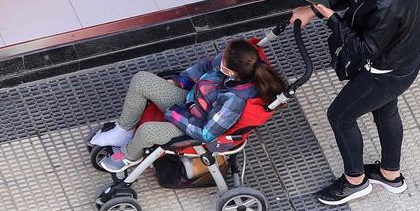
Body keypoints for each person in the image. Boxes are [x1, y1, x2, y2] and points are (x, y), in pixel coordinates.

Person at [290, 0, 420, 205]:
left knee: (340, 116)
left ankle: (355, 181)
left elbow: (363, 48)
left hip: (386, 70)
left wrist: (330, 17)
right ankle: (390, 174)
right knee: (385, 110)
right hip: (403, 59)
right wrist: (315, 6)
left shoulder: (390, 1)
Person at [90, 40, 286, 173]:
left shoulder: (233, 100)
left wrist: (174, 114)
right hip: (189, 101)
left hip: (193, 125)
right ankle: (123, 129)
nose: (220, 60)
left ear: (232, 73)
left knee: (148, 132)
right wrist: (179, 82)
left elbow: (206, 133)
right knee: (142, 80)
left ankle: (130, 155)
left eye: (223, 61)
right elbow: (203, 67)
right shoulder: (230, 61)